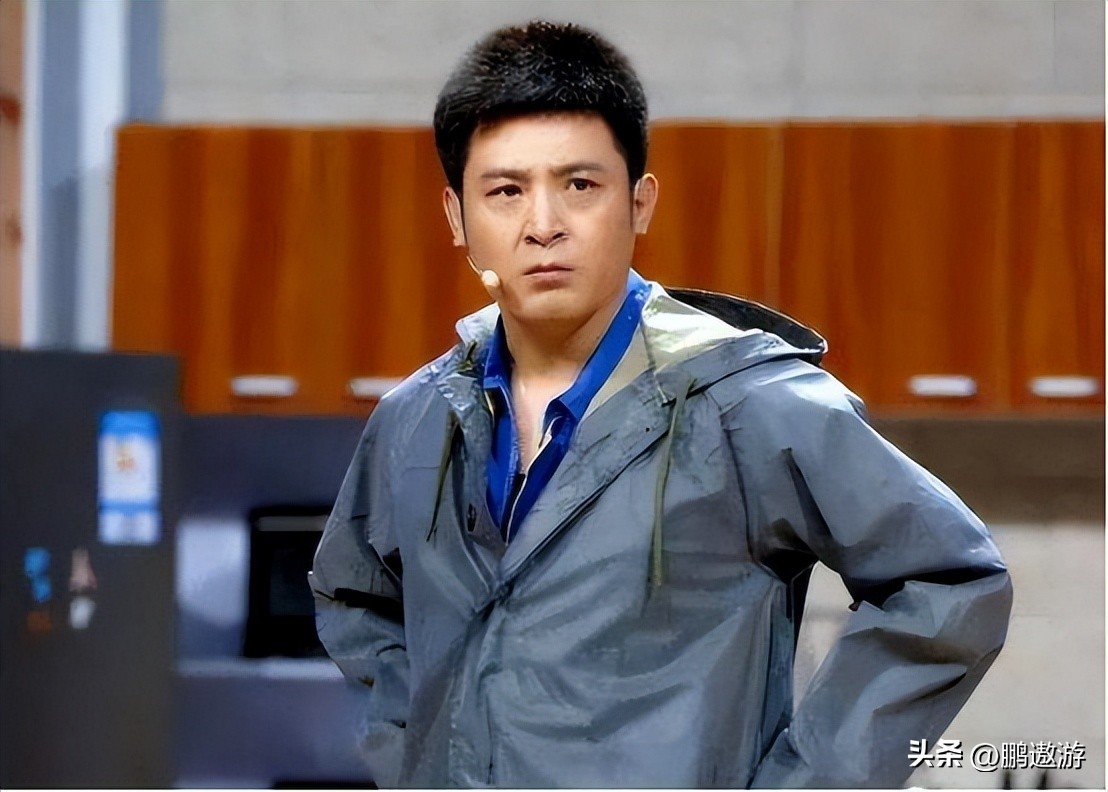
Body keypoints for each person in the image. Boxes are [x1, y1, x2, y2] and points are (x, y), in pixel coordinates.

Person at [310, 20, 1012, 788]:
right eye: (506, 191)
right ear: (457, 218)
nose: (543, 226)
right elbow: (354, 595)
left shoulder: (749, 404)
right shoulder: (417, 417)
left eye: (580, 185)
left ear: (639, 203)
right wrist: (413, 755)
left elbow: (948, 582)